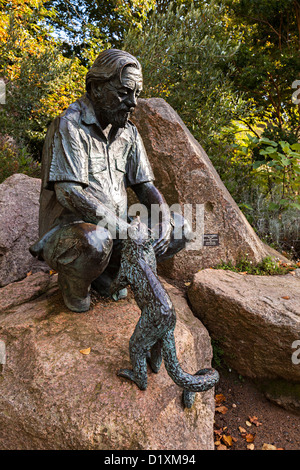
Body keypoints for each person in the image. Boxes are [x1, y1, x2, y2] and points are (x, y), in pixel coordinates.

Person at [30, 49, 191, 312]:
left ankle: (109, 276)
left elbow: (146, 187)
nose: (133, 102)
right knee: (95, 241)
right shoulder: (68, 126)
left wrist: (162, 221)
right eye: (124, 92)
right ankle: (75, 284)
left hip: (116, 231)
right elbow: (70, 193)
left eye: (136, 94)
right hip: (75, 235)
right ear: (95, 87)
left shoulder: (129, 132)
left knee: (180, 228)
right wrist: (126, 230)